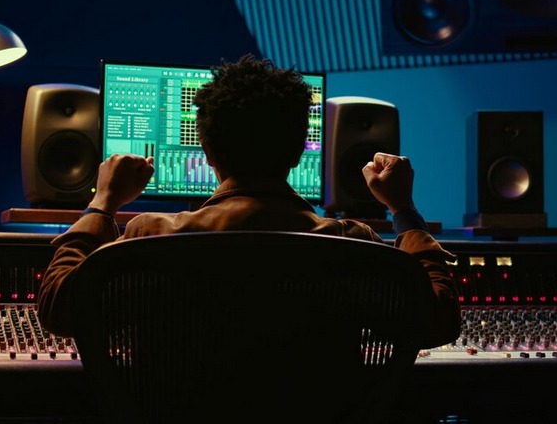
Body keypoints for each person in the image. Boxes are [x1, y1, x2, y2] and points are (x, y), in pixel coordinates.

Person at [36, 54, 461, 348]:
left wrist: (102, 203)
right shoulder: (352, 244)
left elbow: (59, 308)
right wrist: (404, 212)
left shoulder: (150, 238)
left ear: (206, 150)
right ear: (299, 151)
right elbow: (438, 322)